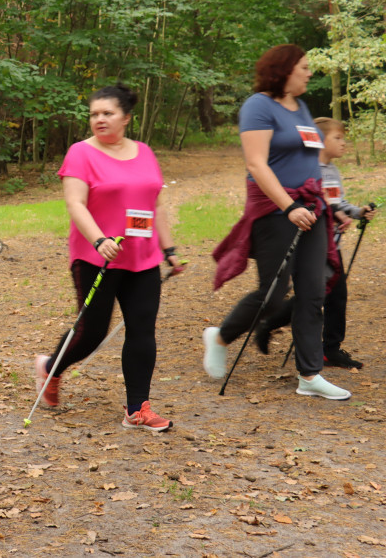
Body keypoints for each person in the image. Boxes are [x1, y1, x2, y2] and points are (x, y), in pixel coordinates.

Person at [34, 83, 183, 432]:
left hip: (143, 258)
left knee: (142, 329)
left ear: (126, 118)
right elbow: (75, 203)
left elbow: (156, 205)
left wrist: (170, 250)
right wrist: (99, 239)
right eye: (94, 114)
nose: (99, 119)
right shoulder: (80, 153)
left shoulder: (145, 152)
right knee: (92, 332)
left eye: (107, 113)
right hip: (94, 256)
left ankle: (137, 409)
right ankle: (50, 368)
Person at [204, 44, 349, 400]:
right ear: (284, 69)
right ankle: (220, 336)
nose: (309, 72)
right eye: (303, 67)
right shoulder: (257, 106)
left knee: (313, 292)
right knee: (273, 293)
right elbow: (256, 164)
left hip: (312, 208)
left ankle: (310, 375)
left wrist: (328, 205)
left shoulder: (300, 107)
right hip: (276, 211)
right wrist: (288, 206)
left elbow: (310, 160)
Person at [252, 116, 377, 368]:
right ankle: (270, 323)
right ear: (319, 141)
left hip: (334, 245)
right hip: (312, 246)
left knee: (337, 296)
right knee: (313, 297)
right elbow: (304, 203)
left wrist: (357, 212)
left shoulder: (333, 171)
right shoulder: (307, 170)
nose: (344, 143)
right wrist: (330, 212)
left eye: (344, 138)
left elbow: (337, 203)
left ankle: (330, 349)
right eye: (338, 138)